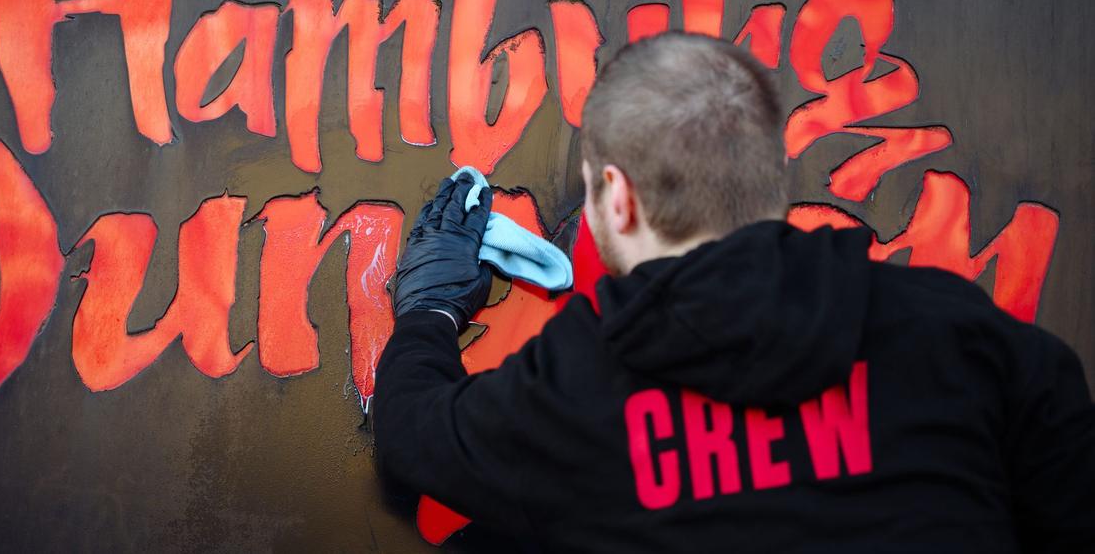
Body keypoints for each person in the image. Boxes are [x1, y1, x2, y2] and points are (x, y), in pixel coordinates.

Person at [372, 33, 1095, 552]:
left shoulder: (578, 382)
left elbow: (414, 435)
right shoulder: (960, 333)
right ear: (770, 177)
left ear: (617, 197)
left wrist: (431, 305)